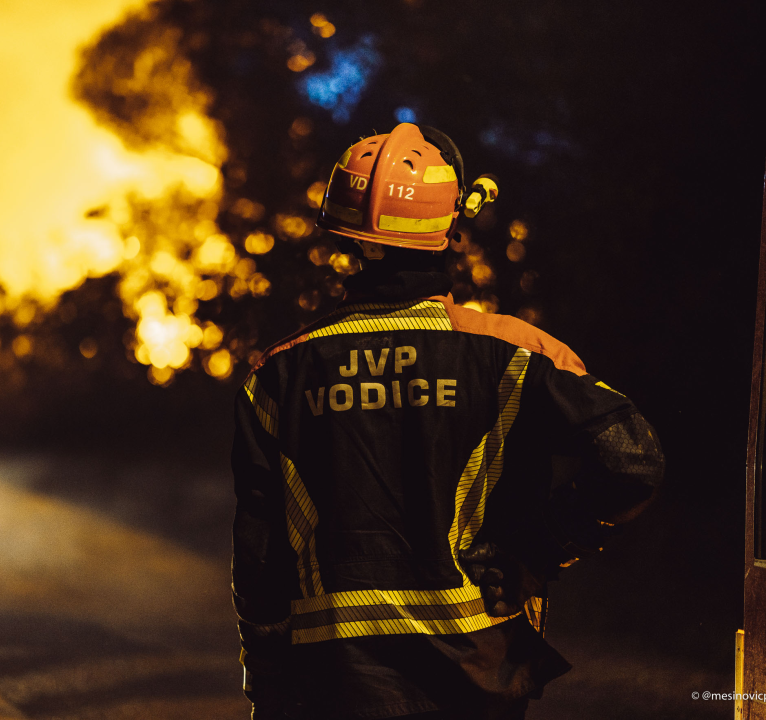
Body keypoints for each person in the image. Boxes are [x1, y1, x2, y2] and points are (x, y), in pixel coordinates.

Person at [230, 122, 664, 720]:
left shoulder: (278, 373)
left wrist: (267, 678)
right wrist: (538, 546)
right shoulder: (518, 353)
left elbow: (259, 555)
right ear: (451, 229)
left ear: (348, 238)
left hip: (332, 681)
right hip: (478, 671)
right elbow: (633, 461)